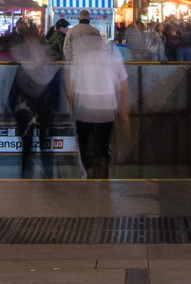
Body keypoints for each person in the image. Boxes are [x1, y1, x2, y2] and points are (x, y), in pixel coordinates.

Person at [64, 28, 129, 179]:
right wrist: (125, 112)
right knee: (104, 146)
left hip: (84, 110)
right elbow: (123, 86)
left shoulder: (79, 59)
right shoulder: (112, 57)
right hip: (106, 110)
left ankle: (89, 170)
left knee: (84, 144)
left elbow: (70, 90)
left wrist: (70, 111)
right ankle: (104, 174)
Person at [9, 26, 63, 179]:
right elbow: (55, 83)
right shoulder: (47, 56)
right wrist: (56, 106)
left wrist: (10, 107)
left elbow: (15, 88)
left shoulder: (22, 61)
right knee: (46, 144)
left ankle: (27, 176)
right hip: (46, 107)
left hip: (25, 107)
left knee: (27, 145)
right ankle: (48, 176)